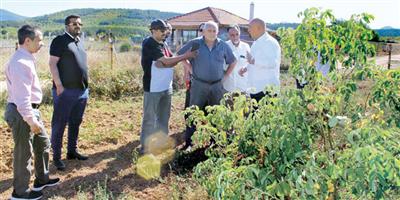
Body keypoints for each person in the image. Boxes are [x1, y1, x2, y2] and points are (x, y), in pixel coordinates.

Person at [4, 25, 60, 200]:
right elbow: (22, 98)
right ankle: (19, 193)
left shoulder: (27, 58)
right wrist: (31, 120)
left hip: (30, 111)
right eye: (39, 40)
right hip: (23, 113)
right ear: (27, 41)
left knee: (42, 143)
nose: (42, 44)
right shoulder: (20, 63)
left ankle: (41, 179)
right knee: (24, 153)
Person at [140, 19, 197, 153]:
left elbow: (170, 61)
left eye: (165, 30)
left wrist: (168, 62)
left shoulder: (163, 43)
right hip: (153, 87)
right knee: (150, 118)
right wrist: (185, 56)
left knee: (164, 117)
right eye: (162, 30)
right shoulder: (150, 43)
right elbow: (166, 60)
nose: (165, 32)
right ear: (153, 30)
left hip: (166, 86)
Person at [177, 21, 237, 148]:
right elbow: (180, 55)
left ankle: (214, 143)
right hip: (199, 85)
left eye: (214, 31)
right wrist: (190, 68)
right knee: (192, 113)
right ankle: (189, 144)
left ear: (218, 32)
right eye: (209, 30)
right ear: (203, 31)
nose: (212, 33)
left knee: (215, 114)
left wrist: (225, 76)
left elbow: (233, 61)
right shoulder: (195, 43)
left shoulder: (223, 46)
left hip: (216, 86)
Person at [49, 15, 89, 170]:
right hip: (65, 91)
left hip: (82, 90)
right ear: (67, 25)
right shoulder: (59, 41)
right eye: (74, 24)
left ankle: (72, 151)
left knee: (75, 122)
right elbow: (52, 64)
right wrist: (58, 85)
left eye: (80, 23)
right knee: (59, 124)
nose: (78, 26)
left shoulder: (80, 42)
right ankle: (57, 158)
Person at [239, 18, 281, 102]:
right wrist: (246, 68)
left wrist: (253, 61)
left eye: (250, 27)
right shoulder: (256, 42)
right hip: (255, 89)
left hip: (266, 91)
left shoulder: (270, 43)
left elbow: (273, 63)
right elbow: (254, 61)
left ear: (259, 28)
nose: (248, 30)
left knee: (266, 115)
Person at [223, 24, 251, 93]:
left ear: (239, 33)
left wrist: (245, 68)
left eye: (237, 34)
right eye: (232, 35)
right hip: (228, 87)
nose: (235, 37)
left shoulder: (246, 47)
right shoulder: (224, 46)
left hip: (243, 86)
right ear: (228, 35)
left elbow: (250, 63)